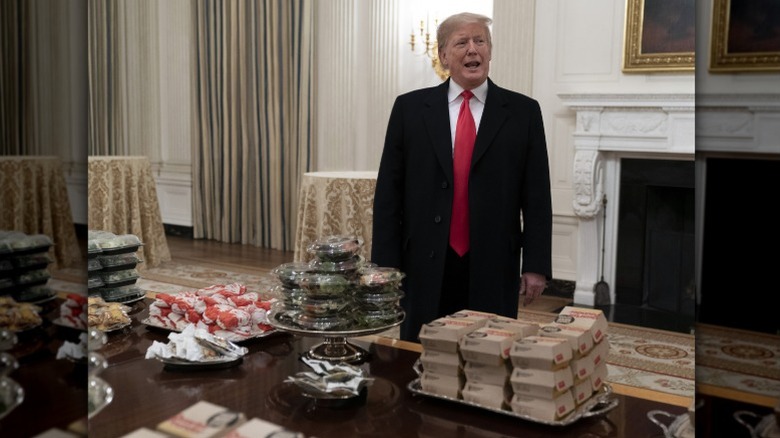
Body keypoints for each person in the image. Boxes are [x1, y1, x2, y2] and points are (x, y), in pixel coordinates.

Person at [371, 12, 552, 341]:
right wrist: (385, 264)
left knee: (488, 352)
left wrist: (536, 265)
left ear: (490, 51)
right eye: (462, 42)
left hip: (494, 262)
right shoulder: (409, 109)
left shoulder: (524, 112)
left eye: (480, 41)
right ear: (443, 55)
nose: (473, 49)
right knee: (421, 353)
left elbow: (537, 195)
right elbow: (388, 194)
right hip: (424, 261)